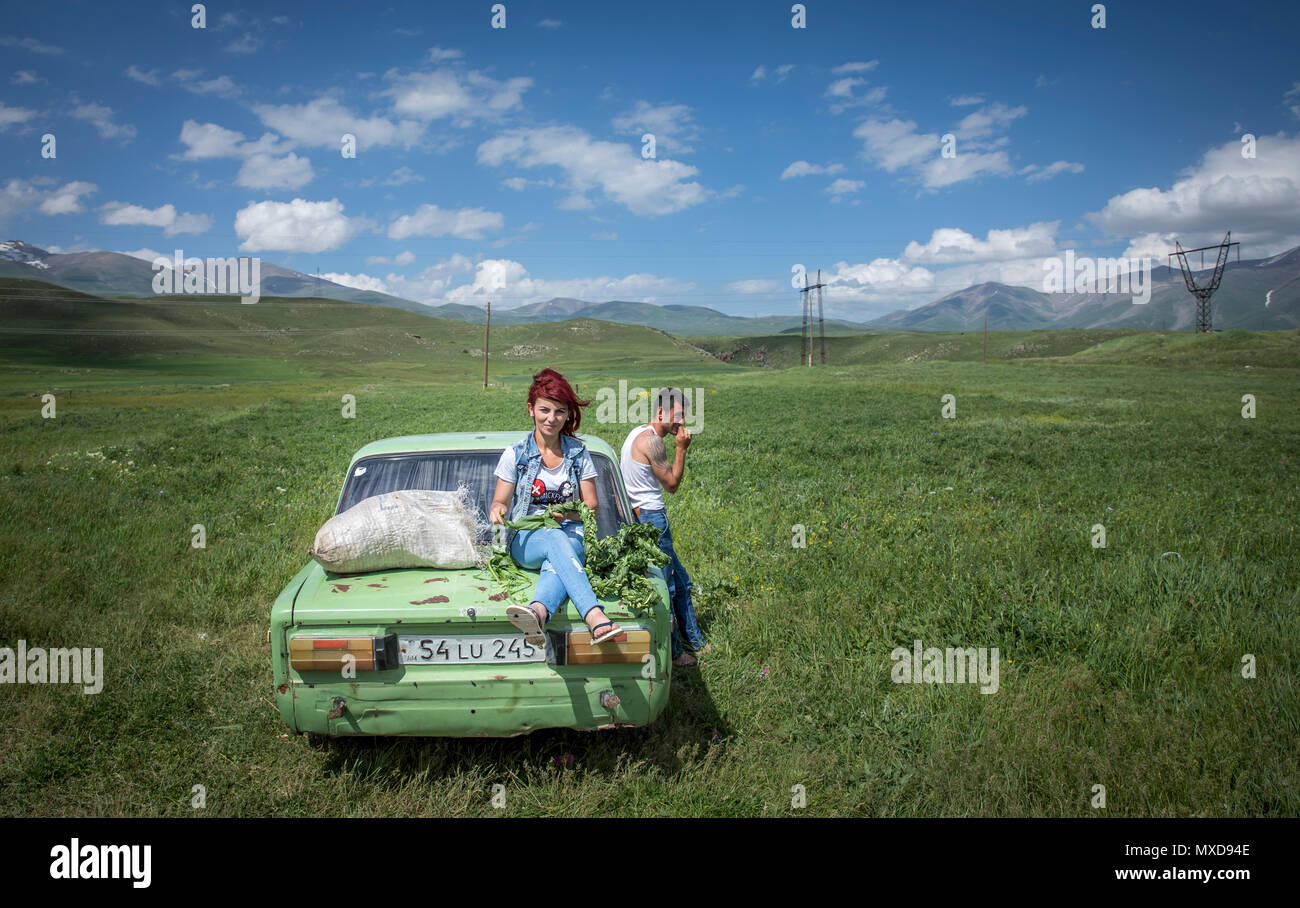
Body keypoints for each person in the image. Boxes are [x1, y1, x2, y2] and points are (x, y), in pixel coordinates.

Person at [489, 368, 623, 647]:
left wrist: (569, 514)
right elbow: (500, 501)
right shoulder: (516, 454)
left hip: (573, 534)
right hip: (527, 539)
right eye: (545, 410)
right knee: (554, 537)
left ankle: (538, 612)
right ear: (531, 409)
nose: (551, 418)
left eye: (560, 412)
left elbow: (592, 506)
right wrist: (498, 510)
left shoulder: (578, 453)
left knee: (559, 552)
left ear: (567, 415)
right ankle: (595, 615)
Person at [620, 388, 709, 667]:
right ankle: (673, 652)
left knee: (681, 582)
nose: (681, 422)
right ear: (660, 413)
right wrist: (682, 449)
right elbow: (671, 484)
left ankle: (696, 642)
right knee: (668, 585)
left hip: (642, 517)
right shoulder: (653, 443)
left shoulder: (638, 433)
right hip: (652, 519)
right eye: (677, 416)